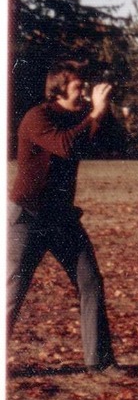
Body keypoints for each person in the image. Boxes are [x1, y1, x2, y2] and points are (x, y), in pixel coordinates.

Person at [8, 60, 118, 372]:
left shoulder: (78, 117)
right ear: (59, 89)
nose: (83, 94)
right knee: (13, 289)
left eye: (85, 88)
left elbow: (108, 143)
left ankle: (100, 363)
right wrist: (94, 113)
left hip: (62, 219)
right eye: (77, 88)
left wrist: (103, 112)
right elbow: (66, 145)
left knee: (90, 281)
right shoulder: (37, 117)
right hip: (27, 217)